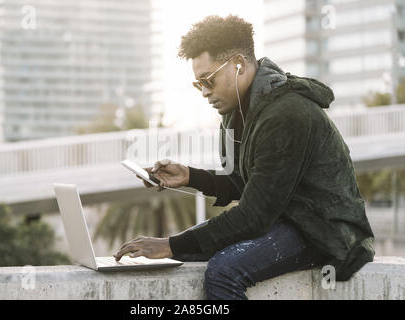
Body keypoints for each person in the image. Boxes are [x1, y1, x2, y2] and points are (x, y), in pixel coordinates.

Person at [114, 15, 375, 300]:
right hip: (284, 217)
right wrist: (190, 176)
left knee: (223, 271)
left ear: (238, 63)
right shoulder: (235, 111)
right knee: (188, 248)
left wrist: (169, 244)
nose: (204, 92)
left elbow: (254, 216)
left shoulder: (286, 113)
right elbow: (244, 182)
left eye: (209, 80)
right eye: (198, 83)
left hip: (322, 229)